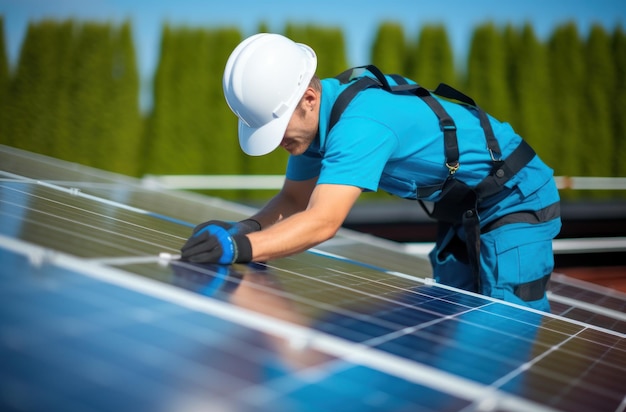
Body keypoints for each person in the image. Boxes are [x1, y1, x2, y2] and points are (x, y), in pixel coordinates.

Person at [181, 33, 561, 312]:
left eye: (278, 128)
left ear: (308, 99)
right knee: (453, 313)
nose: (277, 140)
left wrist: (237, 249)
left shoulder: (360, 125)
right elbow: (294, 200)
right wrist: (244, 229)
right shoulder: (316, 127)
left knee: (503, 322)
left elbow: (322, 221)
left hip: (515, 196)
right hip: (465, 207)